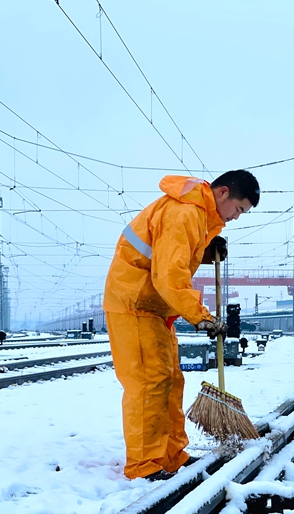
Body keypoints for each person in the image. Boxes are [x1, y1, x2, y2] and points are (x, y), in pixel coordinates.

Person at [103, 170, 260, 481]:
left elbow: (166, 252)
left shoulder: (195, 213)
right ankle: (145, 465)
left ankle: (172, 455)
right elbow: (169, 273)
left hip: (153, 307)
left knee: (170, 381)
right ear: (223, 192)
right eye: (239, 209)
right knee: (149, 384)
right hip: (135, 303)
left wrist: (204, 250)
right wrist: (200, 316)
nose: (236, 218)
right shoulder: (186, 212)